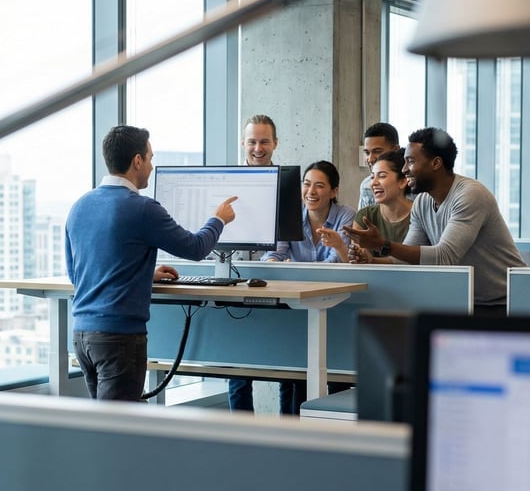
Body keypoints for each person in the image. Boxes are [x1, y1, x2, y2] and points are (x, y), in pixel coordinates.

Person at [65, 125, 237, 400]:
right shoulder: (142, 208)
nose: (151, 166)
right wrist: (218, 219)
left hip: (83, 336)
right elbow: (195, 248)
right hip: (119, 338)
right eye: (150, 158)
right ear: (137, 161)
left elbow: (78, 273)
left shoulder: (79, 206)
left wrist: (144, 273)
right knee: (118, 432)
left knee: (101, 428)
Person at [344, 127, 525, 314]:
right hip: (466, 301)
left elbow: (444, 257)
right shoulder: (422, 202)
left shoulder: (470, 195)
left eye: (411, 162)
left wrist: (383, 244)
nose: (405, 169)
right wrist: (372, 261)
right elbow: (405, 260)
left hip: (507, 302)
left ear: (436, 163)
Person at [264, 160, 356, 413]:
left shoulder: (346, 216)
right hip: (298, 306)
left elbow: (337, 262)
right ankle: (289, 436)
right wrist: (273, 262)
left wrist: (295, 265)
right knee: (290, 374)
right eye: (306, 184)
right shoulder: (291, 214)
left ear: (334, 191)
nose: (311, 192)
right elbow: (276, 253)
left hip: (336, 305)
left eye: (319, 186)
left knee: (335, 376)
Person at [227, 114, 281, 413]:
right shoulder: (227, 183)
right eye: (252, 142)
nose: (258, 148)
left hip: (277, 282)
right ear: (243, 143)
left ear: (275, 143)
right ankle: (241, 446)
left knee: (291, 372)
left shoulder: (289, 185)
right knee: (239, 372)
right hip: (236, 281)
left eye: (264, 141)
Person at [320, 149, 411, 262]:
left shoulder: (419, 213)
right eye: (373, 177)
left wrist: (372, 260)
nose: (373, 183)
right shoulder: (365, 216)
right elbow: (361, 259)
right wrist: (359, 256)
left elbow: (412, 259)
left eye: (382, 176)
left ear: (402, 182)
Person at [357, 122, 400, 210]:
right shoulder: (366, 186)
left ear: (396, 150)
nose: (370, 159)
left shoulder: (414, 185)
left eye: (377, 151)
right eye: (367, 153)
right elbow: (361, 221)